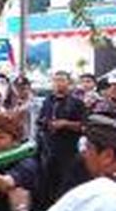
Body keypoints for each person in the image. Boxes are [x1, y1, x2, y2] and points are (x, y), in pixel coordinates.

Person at [36, 70, 86, 204]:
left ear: (69, 83)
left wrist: (65, 124)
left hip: (68, 151)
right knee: (47, 183)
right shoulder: (48, 101)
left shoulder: (77, 103)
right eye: (55, 80)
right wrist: (47, 123)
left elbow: (84, 126)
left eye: (62, 80)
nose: (58, 83)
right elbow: (40, 120)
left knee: (67, 184)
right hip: (48, 149)